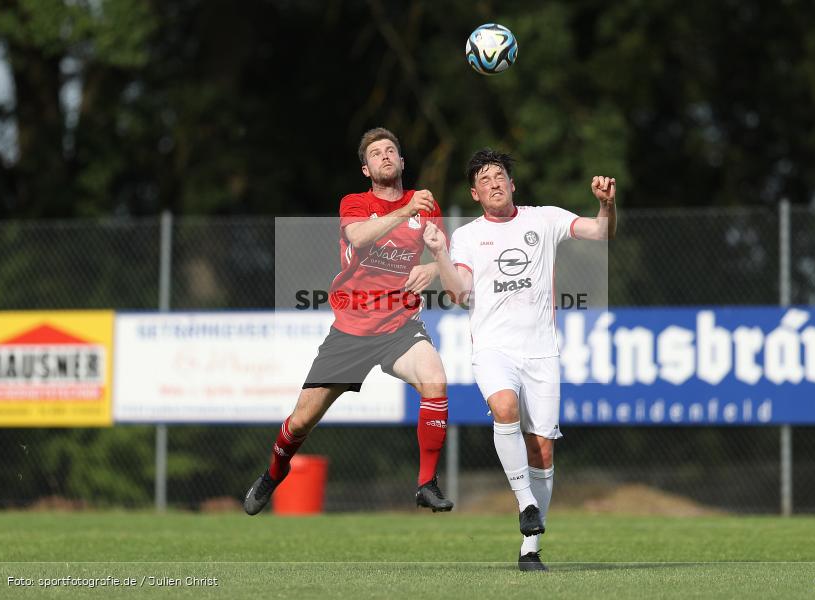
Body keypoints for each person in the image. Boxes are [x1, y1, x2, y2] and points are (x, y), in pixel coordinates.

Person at [423, 148, 616, 571]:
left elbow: (601, 232)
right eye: (485, 179)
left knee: (542, 450)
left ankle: (531, 550)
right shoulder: (469, 236)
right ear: (475, 193)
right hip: (494, 348)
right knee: (504, 408)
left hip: (542, 351)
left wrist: (607, 205)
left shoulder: (543, 218)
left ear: (512, 184)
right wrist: (439, 254)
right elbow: (459, 294)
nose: (494, 182)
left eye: (499, 176)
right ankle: (526, 502)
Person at [244, 127, 453, 515]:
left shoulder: (425, 203)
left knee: (436, 380)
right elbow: (358, 238)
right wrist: (405, 211)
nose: (386, 156)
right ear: (365, 168)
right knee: (301, 421)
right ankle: (273, 474)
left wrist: (433, 269)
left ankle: (426, 483)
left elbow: (446, 254)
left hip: (399, 327)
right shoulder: (356, 202)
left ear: (403, 161)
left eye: (392, 150)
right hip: (351, 331)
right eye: (376, 153)